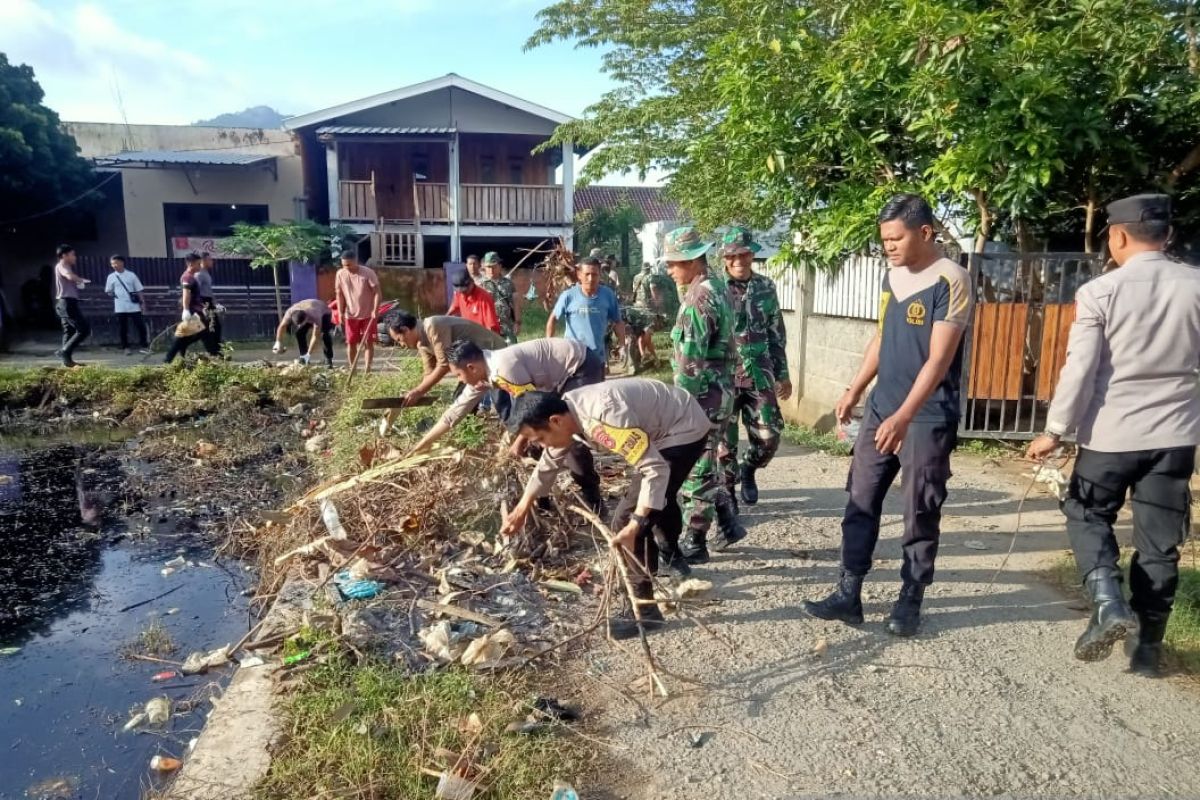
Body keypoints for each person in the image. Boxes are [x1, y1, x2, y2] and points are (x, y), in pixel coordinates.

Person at [1026, 194, 1200, 676]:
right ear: (1167, 236)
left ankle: (1108, 602)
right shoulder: (1196, 286)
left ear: (1118, 236)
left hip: (1110, 436)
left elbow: (1079, 369)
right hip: (1176, 439)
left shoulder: (1102, 291)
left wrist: (1054, 432)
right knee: (1160, 543)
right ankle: (1147, 650)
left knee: (1085, 512)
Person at [804, 194, 973, 637]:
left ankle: (909, 599)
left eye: (896, 239)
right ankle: (848, 593)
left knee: (920, 508)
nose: (889, 247)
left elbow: (938, 361)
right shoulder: (892, 277)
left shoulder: (952, 280)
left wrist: (904, 416)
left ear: (925, 232)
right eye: (884, 240)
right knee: (860, 499)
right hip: (882, 408)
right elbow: (881, 338)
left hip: (925, 415)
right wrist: (855, 389)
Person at [500, 381, 713, 638]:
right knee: (655, 500)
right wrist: (523, 506)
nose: (544, 446)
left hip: (682, 428)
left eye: (541, 439)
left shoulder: (604, 422)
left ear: (555, 421)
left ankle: (644, 612)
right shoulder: (568, 413)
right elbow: (548, 463)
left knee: (626, 521)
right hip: (666, 421)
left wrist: (636, 523)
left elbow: (656, 469)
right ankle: (671, 558)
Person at [409, 338, 607, 513]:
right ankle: (542, 501)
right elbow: (455, 412)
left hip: (580, 366)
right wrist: (422, 445)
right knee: (536, 441)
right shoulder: (482, 375)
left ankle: (594, 500)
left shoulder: (504, 369)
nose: (460, 380)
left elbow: (532, 412)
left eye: (458, 375)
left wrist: (517, 443)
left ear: (471, 367)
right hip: (553, 379)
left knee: (566, 435)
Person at [661, 226, 745, 570]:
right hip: (721, 391)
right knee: (707, 460)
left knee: (696, 467)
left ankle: (695, 539)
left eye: (674, 263)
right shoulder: (719, 289)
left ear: (693, 261)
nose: (669, 271)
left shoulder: (698, 299)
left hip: (702, 397)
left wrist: (676, 409)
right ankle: (728, 520)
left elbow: (690, 364)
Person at [718, 227, 791, 506]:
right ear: (725, 258)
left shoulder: (765, 287)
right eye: (732, 254)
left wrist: (783, 374)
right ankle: (729, 497)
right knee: (725, 446)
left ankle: (748, 469)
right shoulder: (714, 289)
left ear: (752, 254)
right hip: (723, 378)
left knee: (769, 437)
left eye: (744, 253)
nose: (739, 259)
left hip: (759, 374)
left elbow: (776, 334)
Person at [385, 311, 506, 406]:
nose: (401, 344)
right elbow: (429, 372)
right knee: (460, 400)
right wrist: (416, 393)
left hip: (495, 355)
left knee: (503, 402)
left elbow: (444, 364)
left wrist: (418, 391)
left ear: (405, 330)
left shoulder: (433, 326)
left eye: (399, 340)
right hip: (473, 365)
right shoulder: (421, 342)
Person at [546, 256, 625, 359]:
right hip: (572, 358)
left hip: (597, 357)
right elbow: (553, 319)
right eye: (587, 274)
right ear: (579, 275)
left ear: (600, 274)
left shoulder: (608, 295)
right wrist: (549, 346)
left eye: (594, 274)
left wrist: (622, 345)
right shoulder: (568, 296)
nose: (591, 279)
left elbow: (618, 322)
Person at [334, 249, 381, 375]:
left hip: (368, 315)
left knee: (368, 343)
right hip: (350, 315)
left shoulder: (368, 273)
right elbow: (339, 294)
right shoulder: (340, 274)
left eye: (348, 265)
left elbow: (377, 293)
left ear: (355, 261)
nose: (346, 268)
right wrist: (340, 311)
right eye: (343, 265)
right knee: (351, 343)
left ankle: (367, 371)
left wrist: (375, 311)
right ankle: (353, 370)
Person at [164, 252, 209, 364]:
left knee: (191, 335)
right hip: (192, 311)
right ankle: (168, 359)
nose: (200, 266)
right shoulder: (187, 277)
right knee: (189, 336)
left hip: (196, 309)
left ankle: (179, 355)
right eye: (199, 264)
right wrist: (186, 310)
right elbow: (186, 294)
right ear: (191, 264)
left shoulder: (191, 277)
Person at [53, 245, 91, 368]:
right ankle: (64, 352)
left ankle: (67, 362)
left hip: (64, 303)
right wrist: (80, 280)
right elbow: (69, 276)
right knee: (84, 329)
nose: (75, 257)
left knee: (68, 332)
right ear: (64, 255)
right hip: (67, 303)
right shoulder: (63, 266)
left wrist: (78, 281)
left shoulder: (63, 266)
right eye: (73, 254)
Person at [104, 255, 149, 355]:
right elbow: (108, 291)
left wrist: (143, 304)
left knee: (140, 326)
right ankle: (125, 347)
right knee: (122, 328)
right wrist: (113, 294)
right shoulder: (111, 277)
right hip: (120, 307)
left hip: (133, 306)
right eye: (112, 264)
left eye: (116, 263)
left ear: (122, 262)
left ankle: (144, 346)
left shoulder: (131, 275)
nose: (114, 265)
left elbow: (139, 290)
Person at [272, 298, 335, 368]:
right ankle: (303, 357)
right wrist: (278, 342)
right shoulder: (289, 312)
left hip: (324, 312)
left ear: (305, 319)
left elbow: (315, 337)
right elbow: (282, 326)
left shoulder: (315, 315)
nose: (299, 326)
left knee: (324, 335)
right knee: (299, 333)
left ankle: (328, 360)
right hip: (306, 308)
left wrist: (308, 354)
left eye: (301, 324)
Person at [479, 252, 520, 344]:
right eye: (488, 267)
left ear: (500, 266)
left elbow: (515, 302)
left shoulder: (508, 283)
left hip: (507, 326)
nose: (491, 270)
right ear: (484, 268)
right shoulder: (480, 285)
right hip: (488, 328)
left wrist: (517, 322)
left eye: (494, 266)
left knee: (512, 353)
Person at [447, 270, 501, 334]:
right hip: (469, 333)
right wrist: (444, 319)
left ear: (471, 283)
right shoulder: (459, 294)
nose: (463, 294)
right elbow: (454, 308)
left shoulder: (484, 298)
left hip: (483, 335)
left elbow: (492, 326)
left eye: (465, 291)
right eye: (461, 292)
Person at [196, 251, 224, 356]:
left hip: (209, 301)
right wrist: (201, 305)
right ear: (203, 261)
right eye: (209, 259)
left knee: (216, 326)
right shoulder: (199, 274)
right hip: (203, 302)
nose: (212, 261)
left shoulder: (206, 273)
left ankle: (216, 350)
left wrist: (215, 302)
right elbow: (196, 290)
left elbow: (209, 290)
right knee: (210, 327)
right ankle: (214, 351)